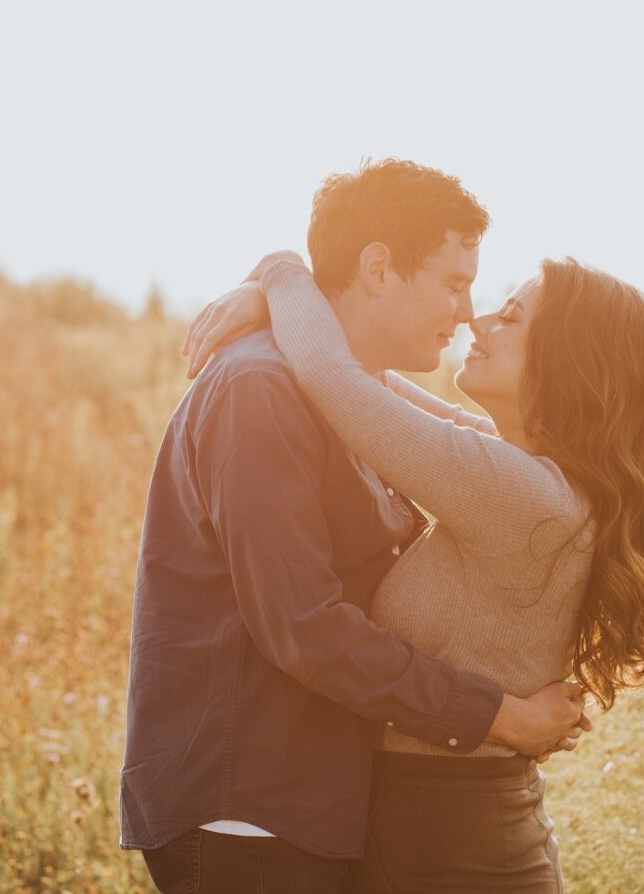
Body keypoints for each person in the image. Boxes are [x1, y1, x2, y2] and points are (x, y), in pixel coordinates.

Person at [120, 159, 590, 894]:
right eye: (453, 282)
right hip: (247, 816)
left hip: (314, 809)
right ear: (378, 268)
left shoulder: (353, 402)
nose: (467, 312)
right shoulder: (260, 391)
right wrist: (496, 715)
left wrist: (276, 286)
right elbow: (303, 625)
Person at [186, 207, 644, 891]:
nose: (476, 322)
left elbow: (338, 383)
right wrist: (285, 308)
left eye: (510, 317)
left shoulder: (523, 494)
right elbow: (364, 381)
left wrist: (280, 272)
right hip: (433, 827)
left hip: (459, 845)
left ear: (571, 361)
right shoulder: (531, 478)